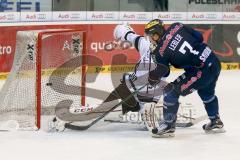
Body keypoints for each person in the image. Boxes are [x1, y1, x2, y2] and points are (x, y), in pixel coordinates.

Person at [142, 19, 225, 137]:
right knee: (206, 92)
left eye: (150, 36)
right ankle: (215, 121)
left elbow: (164, 73)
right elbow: (199, 37)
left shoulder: (159, 52)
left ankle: (168, 126)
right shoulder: (177, 26)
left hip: (201, 70)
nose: (149, 39)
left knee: (170, 91)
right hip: (213, 60)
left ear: (156, 35)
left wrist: (154, 72)